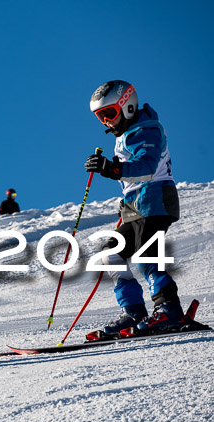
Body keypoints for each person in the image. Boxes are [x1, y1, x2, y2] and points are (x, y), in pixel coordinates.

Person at [85, 80, 183, 336]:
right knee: (109, 254)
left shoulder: (146, 130)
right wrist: (125, 199)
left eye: (109, 114)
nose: (106, 121)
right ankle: (134, 312)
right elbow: (133, 177)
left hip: (155, 201)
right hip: (136, 204)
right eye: (100, 117)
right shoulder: (126, 135)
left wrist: (111, 168)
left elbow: (146, 168)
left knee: (145, 252)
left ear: (127, 106)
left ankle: (168, 308)